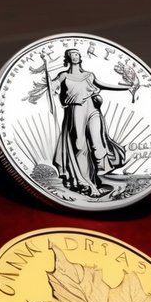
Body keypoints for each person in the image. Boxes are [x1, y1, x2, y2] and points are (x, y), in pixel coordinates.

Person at [52, 48, 127, 196]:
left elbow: (103, 85)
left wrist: (125, 87)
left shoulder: (89, 75)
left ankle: (98, 174)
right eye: (73, 54)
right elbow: (53, 85)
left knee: (98, 143)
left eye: (78, 54)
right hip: (76, 109)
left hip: (93, 109)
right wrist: (51, 85)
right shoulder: (63, 76)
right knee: (79, 145)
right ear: (68, 58)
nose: (76, 56)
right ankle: (85, 182)